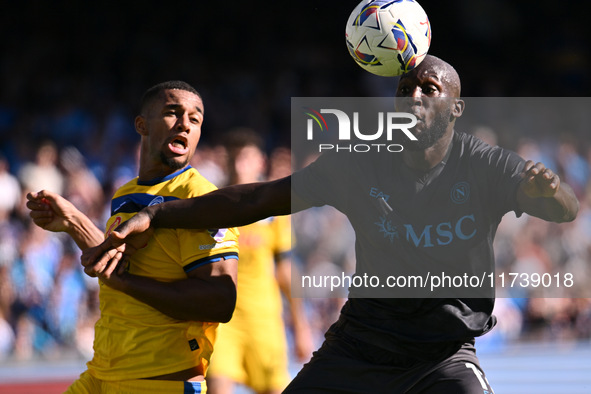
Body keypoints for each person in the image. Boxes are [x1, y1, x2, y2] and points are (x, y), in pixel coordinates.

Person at [82, 57, 579, 393]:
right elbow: (258, 199)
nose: (415, 96)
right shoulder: (359, 165)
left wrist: (550, 191)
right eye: (405, 88)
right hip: (361, 347)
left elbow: (566, 209)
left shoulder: (486, 165)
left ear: (456, 108)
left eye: (431, 89)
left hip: (443, 355)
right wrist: (159, 211)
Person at [27, 80, 240, 393]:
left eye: (195, 119)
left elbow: (220, 301)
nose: (184, 124)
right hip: (101, 374)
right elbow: (120, 267)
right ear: (142, 124)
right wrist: (73, 221)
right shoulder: (126, 194)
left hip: (157, 382)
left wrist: (127, 284)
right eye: (172, 113)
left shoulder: (200, 198)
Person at [206, 129, 313, 394]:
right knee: (217, 387)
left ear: (260, 163)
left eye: (247, 159)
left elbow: (285, 269)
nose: (241, 166)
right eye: (235, 159)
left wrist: (300, 325)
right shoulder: (209, 208)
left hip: (263, 320)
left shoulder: (274, 211)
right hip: (221, 322)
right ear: (226, 162)